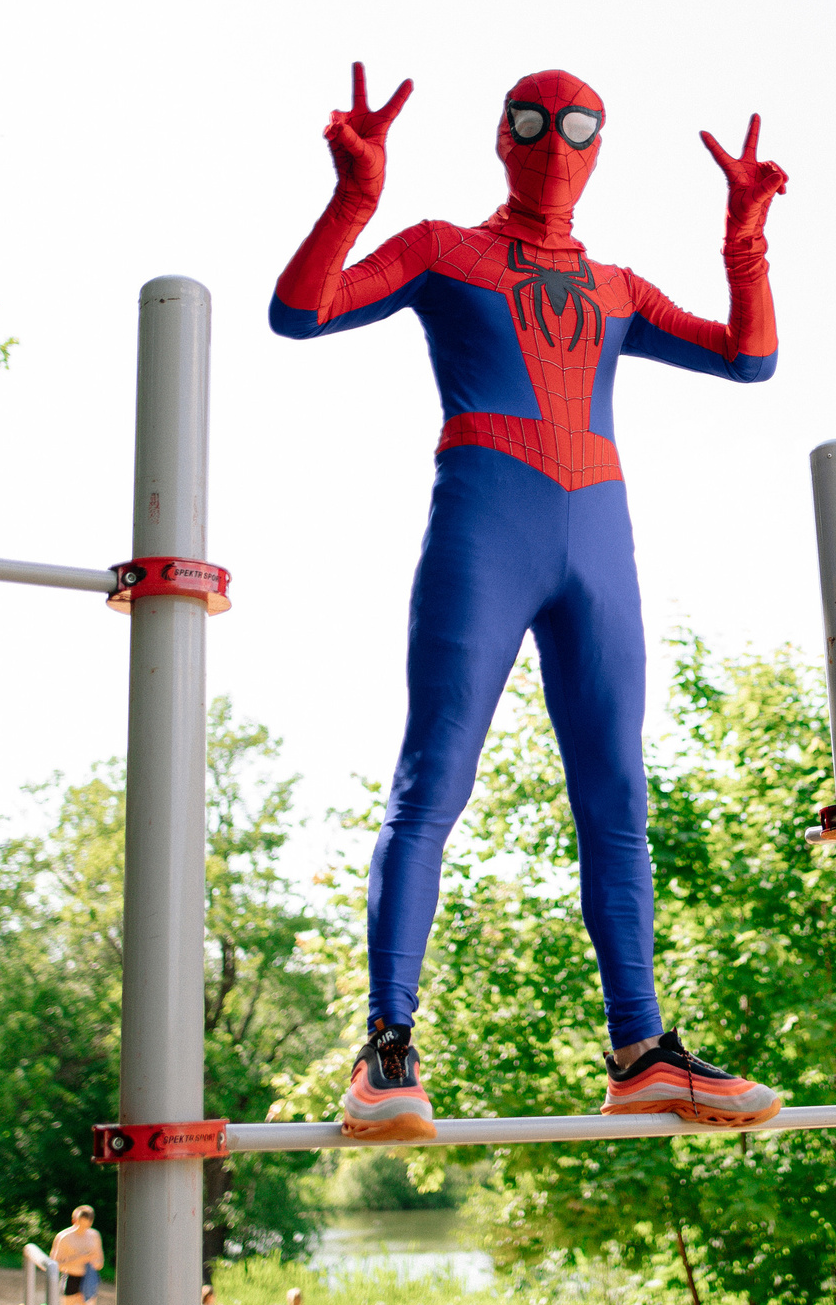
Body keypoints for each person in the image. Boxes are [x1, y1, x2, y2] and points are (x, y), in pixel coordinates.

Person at [271, 63, 790, 1140]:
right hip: (486, 521)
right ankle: (387, 1047)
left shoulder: (618, 286)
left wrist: (744, 239)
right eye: (531, 120)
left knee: (618, 800)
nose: (555, 142)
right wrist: (354, 199)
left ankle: (641, 1047)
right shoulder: (438, 249)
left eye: (579, 126)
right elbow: (298, 311)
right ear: (498, 136)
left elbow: (751, 359)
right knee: (434, 777)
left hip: (599, 536)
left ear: (602, 147)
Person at [51, 1205, 105, 1305]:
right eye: (80, 1224)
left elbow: (100, 1262)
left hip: (88, 1279)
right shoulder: (64, 1237)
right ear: (75, 1220)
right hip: (71, 1277)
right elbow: (55, 1264)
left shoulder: (94, 1236)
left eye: (86, 1225)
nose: (83, 1228)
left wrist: (91, 1261)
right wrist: (80, 1259)